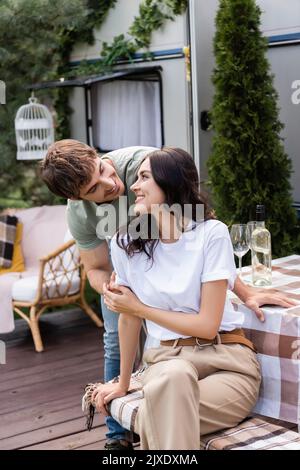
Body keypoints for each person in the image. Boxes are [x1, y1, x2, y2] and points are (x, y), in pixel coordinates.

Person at [41, 139, 296, 450]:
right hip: (166, 360)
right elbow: (98, 272)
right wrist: (115, 294)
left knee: (158, 411)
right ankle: (117, 435)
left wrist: (243, 291)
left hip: (223, 358)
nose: (115, 184)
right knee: (155, 368)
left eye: (105, 170)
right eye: (95, 188)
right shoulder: (116, 239)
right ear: (77, 198)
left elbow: (204, 242)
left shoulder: (146, 165)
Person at [92, 147, 262, 450]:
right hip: (165, 364)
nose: (133, 187)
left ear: (169, 183)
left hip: (227, 364)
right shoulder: (125, 243)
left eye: (144, 177)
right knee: (173, 380)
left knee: (158, 413)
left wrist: (141, 308)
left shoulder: (212, 234)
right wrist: (123, 382)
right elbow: (128, 319)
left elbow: (207, 326)